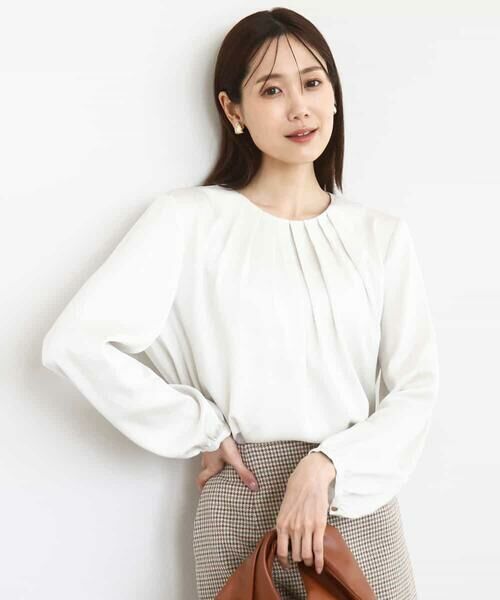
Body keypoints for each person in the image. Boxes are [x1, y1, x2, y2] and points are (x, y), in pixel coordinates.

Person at [41, 8, 439, 600]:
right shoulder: (188, 221)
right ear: (233, 111)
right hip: (244, 501)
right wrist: (198, 427)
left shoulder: (380, 236)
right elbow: (75, 344)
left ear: (334, 96)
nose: (299, 107)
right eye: (272, 90)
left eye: (313, 82)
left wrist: (327, 466)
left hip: (355, 503)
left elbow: (416, 389)